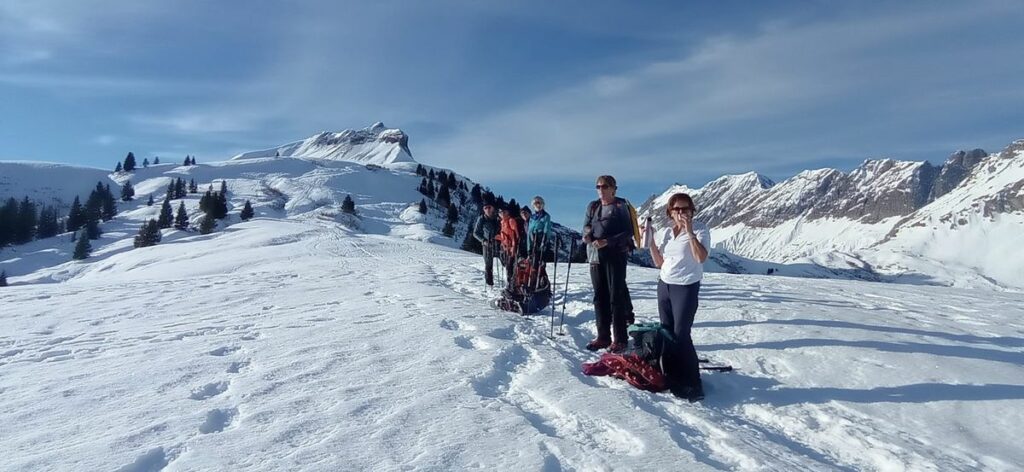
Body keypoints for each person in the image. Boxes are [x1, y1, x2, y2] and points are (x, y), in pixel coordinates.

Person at [648, 193, 710, 402]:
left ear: (693, 211)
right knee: (667, 331)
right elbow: (659, 262)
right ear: (670, 213)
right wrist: (650, 243)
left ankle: (693, 381)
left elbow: (700, 258)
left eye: (686, 209)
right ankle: (673, 373)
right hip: (665, 284)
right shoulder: (666, 232)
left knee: (682, 334)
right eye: (677, 210)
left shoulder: (700, 229)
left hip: (686, 286)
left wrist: (690, 232)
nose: (682, 213)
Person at [582, 175, 640, 353]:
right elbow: (586, 226)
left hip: (615, 254)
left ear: (614, 188)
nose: (601, 189)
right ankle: (603, 336)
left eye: (605, 186)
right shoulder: (593, 206)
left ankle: (620, 338)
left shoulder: (620, 206)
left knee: (616, 295)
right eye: (598, 186)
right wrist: (588, 235)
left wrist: (608, 241)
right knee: (599, 296)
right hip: (595, 254)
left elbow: (628, 231)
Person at [473, 203, 501, 286]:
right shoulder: (482, 218)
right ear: (483, 210)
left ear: (492, 208)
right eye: (485, 208)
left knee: (506, 262)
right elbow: (475, 233)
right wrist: (483, 241)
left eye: (489, 207)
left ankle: (509, 283)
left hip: (498, 244)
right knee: (488, 265)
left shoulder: (497, 218)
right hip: (487, 244)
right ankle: (489, 284)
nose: (488, 209)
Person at [495, 207, 521, 285]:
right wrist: (498, 237)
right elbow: (505, 237)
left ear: (507, 212)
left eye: (504, 212)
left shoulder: (511, 221)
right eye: (500, 213)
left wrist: (514, 247)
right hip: (505, 248)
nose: (502, 214)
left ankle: (512, 284)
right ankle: (510, 284)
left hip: (511, 248)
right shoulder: (502, 222)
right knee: (507, 266)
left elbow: (515, 235)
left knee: (510, 267)